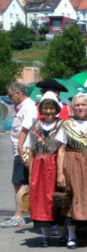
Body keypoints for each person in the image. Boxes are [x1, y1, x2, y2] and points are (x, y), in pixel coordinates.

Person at [54, 93, 87, 248]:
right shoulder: (66, 125)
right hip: (71, 163)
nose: (81, 107)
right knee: (71, 196)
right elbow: (61, 150)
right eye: (77, 105)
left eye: (84, 104)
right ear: (73, 107)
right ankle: (71, 236)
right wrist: (60, 173)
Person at [22, 92, 62, 247]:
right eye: (45, 108)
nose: (48, 111)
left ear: (56, 109)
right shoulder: (36, 127)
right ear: (41, 109)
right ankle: (45, 236)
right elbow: (31, 151)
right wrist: (30, 174)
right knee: (40, 200)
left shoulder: (63, 125)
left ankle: (63, 233)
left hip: (57, 164)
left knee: (58, 198)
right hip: (40, 167)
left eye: (51, 108)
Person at [4, 82, 36, 228]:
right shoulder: (22, 108)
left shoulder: (28, 107)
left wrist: (25, 152)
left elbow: (29, 130)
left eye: (11, 95)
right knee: (21, 181)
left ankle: (19, 217)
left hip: (23, 151)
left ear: (18, 93)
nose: (10, 99)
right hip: (21, 151)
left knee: (18, 181)